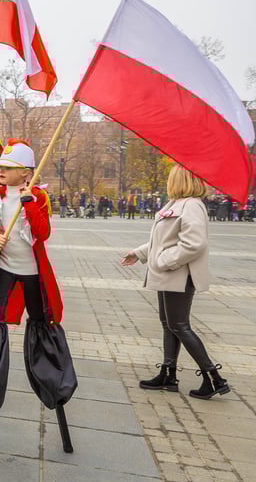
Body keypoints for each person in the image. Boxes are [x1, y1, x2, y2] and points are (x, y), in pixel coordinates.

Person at [0, 140, 76, 427]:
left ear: (26, 172)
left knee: (42, 327)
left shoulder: (38, 196)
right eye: (0, 166)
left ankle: (54, 385)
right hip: (6, 274)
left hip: (35, 276)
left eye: (9, 168)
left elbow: (43, 232)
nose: (1, 170)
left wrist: (30, 206)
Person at [121, 165, 230, 399]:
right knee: (169, 324)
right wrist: (139, 253)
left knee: (179, 325)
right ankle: (168, 374)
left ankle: (214, 379)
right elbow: (162, 241)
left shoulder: (191, 205)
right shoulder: (175, 204)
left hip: (179, 275)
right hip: (170, 274)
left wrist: (162, 261)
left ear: (180, 180)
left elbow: (194, 243)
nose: (169, 179)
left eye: (172, 176)